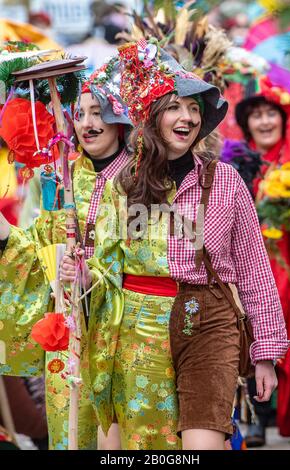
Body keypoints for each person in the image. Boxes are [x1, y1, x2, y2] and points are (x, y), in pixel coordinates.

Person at [60, 39, 290, 450]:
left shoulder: (226, 181)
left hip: (208, 321)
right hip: (134, 329)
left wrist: (265, 352)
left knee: (202, 445)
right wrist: (80, 272)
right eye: (175, 107)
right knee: (147, 448)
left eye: (195, 110)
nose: (187, 117)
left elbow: (256, 271)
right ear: (151, 117)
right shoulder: (121, 183)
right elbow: (102, 262)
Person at [0, 58, 132, 449]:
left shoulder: (143, 179)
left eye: (99, 112)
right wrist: (6, 236)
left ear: (121, 118)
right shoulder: (60, 180)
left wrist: (96, 275)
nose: (87, 123)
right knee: (70, 436)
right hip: (69, 332)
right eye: (80, 113)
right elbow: (37, 256)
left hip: (129, 336)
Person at [234, 76, 290, 439]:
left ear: (283, 118)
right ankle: (257, 413)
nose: (263, 122)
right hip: (254, 263)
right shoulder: (238, 162)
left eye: (270, 114)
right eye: (256, 116)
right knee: (253, 322)